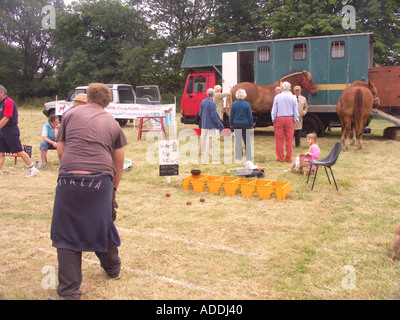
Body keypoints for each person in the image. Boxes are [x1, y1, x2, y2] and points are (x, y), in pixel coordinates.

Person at [49, 83, 127, 300]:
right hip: (101, 180)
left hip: (69, 179)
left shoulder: (70, 115)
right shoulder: (113, 123)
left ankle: (68, 293)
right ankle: (113, 269)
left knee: (66, 234)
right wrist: (112, 191)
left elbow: (61, 148)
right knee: (101, 224)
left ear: (87, 97)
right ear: (107, 102)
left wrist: (73, 170)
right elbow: (119, 163)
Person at [0, 85, 39, 177]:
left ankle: (32, 168)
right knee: (1, 152)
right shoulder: (1, 103)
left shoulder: (8, 102)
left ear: (2, 93)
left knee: (18, 150)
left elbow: (6, 118)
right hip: (2, 130)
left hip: (10, 130)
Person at [271, 81, 299, 163]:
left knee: (279, 140)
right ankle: (288, 158)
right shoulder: (293, 97)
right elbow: (295, 110)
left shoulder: (277, 97)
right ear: (290, 88)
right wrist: (295, 119)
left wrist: (273, 118)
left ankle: (280, 158)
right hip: (290, 118)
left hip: (279, 118)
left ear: (282, 88)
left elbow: (274, 109)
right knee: (289, 140)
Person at [229, 89, 254, 161]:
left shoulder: (233, 104)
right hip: (245, 123)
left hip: (236, 123)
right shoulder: (247, 104)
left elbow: (231, 115)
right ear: (244, 95)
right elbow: (250, 115)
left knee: (238, 140)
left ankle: (239, 156)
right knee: (247, 140)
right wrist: (251, 124)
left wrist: (231, 124)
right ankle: (248, 156)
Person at [198, 88, 224, 158]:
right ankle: (208, 152)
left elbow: (200, 113)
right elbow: (213, 115)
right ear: (213, 94)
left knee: (203, 137)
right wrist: (217, 124)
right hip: (210, 124)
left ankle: (201, 151)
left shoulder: (203, 101)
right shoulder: (212, 103)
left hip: (204, 122)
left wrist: (204, 118)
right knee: (209, 138)